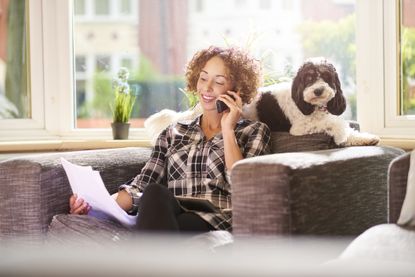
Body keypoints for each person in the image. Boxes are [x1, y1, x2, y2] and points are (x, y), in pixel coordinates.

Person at [69, 46, 271, 233]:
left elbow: (245, 189)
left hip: (215, 222)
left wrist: (228, 131)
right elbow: (141, 185)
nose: (207, 88)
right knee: (155, 193)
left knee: (166, 227)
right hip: (170, 217)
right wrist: (93, 206)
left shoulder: (254, 131)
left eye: (219, 81)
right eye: (203, 78)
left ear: (237, 90)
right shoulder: (173, 132)